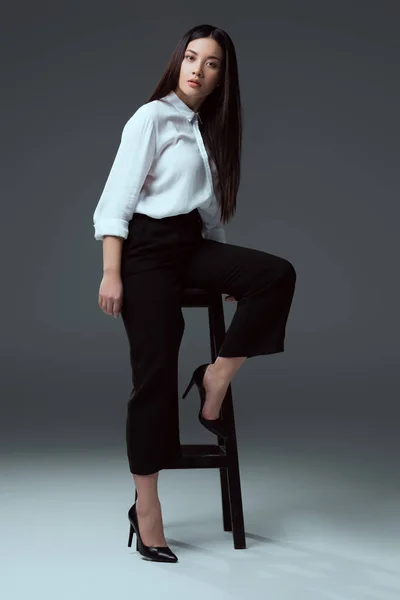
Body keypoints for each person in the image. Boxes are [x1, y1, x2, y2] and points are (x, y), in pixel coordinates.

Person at [93, 24, 297, 563]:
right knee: (154, 378)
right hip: (145, 251)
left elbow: (210, 216)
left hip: (191, 246)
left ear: (221, 78)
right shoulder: (151, 118)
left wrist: (226, 272)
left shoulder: (209, 131)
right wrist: (111, 272)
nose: (197, 69)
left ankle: (215, 378)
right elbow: (115, 202)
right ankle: (148, 507)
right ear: (178, 61)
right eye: (191, 57)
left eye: (210, 64)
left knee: (276, 275)